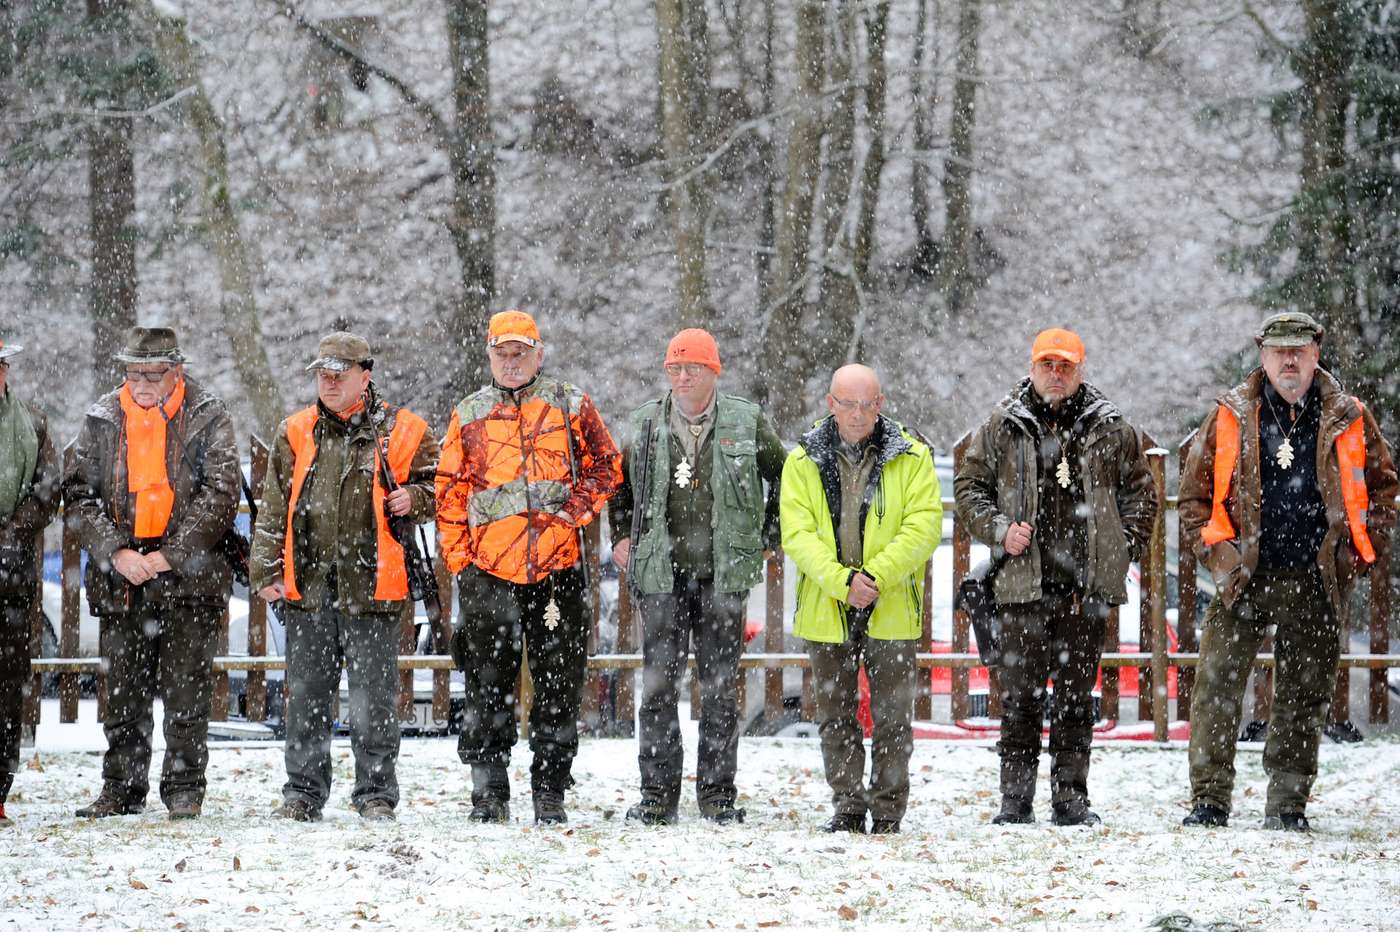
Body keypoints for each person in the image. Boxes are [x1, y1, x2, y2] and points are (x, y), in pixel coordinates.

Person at [1180, 311, 1396, 832]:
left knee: (1304, 696)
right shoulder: (1230, 415)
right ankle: (1209, 801)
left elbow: (1385, 493)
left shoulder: (1350, 416)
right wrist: (1223, 560)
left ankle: (1287, 806)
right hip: (1243, 578)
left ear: (1316, 354)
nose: (1290, 361)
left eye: (1299, 350)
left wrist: (1354, 556)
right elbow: (1194, 501)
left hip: (1315, 580)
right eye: (1280, 352)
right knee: (1215, 689)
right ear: (1263, 356)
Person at [955, 328, 1157, 827]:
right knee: (1019, 702)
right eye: (1047, 364)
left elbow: (1142, 494)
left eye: (1065, 365)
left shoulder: (1110, 427)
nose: (1056, 373)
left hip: (1084, 593)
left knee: (1075, 704)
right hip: (1020, 588)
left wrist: (1121, 548)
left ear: (1080, 370)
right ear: (1031, 368)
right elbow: (969, 488)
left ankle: (1071, 802)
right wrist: (1000, 530)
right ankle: (1015, 803)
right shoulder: (1003, 425)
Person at [437, 309, 621, 824]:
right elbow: (449, 492)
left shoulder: (570, 403)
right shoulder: (468, 413)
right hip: (489, 572)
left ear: (539, 354)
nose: (511, 362)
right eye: (502, 353)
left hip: (557, 570)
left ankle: (550, 790)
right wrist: (461, 561)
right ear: (489, 355)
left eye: (521, 353)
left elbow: (608, 466)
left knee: (559, 683)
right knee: (485, 684)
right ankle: (489, 792)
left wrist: (571, 515)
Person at [250, 332, 439, 823]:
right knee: (306, 697)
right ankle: (302, 794)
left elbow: (443, 487)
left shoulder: (406, 430)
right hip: (308, 587)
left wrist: (415, 499)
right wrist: (265, 568)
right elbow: (273, 507)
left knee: (374, 700)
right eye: (323, 374)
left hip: (374, 587)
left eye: (339, 374)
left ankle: (376, 795)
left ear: (365, 375)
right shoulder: (295, 431)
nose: (329, 383)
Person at [608, 329, 785, 826]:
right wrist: (620, 535)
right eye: (675, 368)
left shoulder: (746, 421)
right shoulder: (645, 423)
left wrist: (767, 535)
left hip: (723, 575)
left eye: (693, 368)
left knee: (720, 688)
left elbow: (786, 477)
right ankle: (657, 797)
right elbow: (618, 488)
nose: (683, 377)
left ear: (713, 371)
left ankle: (718, 797)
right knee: (658, 688)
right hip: (660, 575)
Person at [64, 327, 238, 820]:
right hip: (121, 575)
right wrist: (117, 551)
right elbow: (77, 494)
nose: (140, 383)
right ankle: (121, 787)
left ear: (176, 372)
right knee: (123, 692)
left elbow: (222, 493)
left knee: (187, 691)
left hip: (189, 575)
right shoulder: (102, 417)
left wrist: (172, 555)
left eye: (152, 374)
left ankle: (184, 789)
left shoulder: (208, 414)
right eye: (133, 373)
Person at [779, 364, 941, 834]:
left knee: (893, 717)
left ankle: (888, 811)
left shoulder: (912, 457)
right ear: (830, 404)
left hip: (891, 603)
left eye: (866, 404)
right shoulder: (803, 460)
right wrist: (841, 582)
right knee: (835, 714)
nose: (856, 413)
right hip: (827, 604)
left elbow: (924, 525)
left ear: (880, 404)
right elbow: (798, 534)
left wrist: (875, 576)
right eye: (847, 403)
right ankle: (847, 807)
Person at [0, 340, 61, 826]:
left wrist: (9, 533)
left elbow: (48, 491)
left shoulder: (33, 424)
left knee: (6, 687)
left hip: (12, 577)